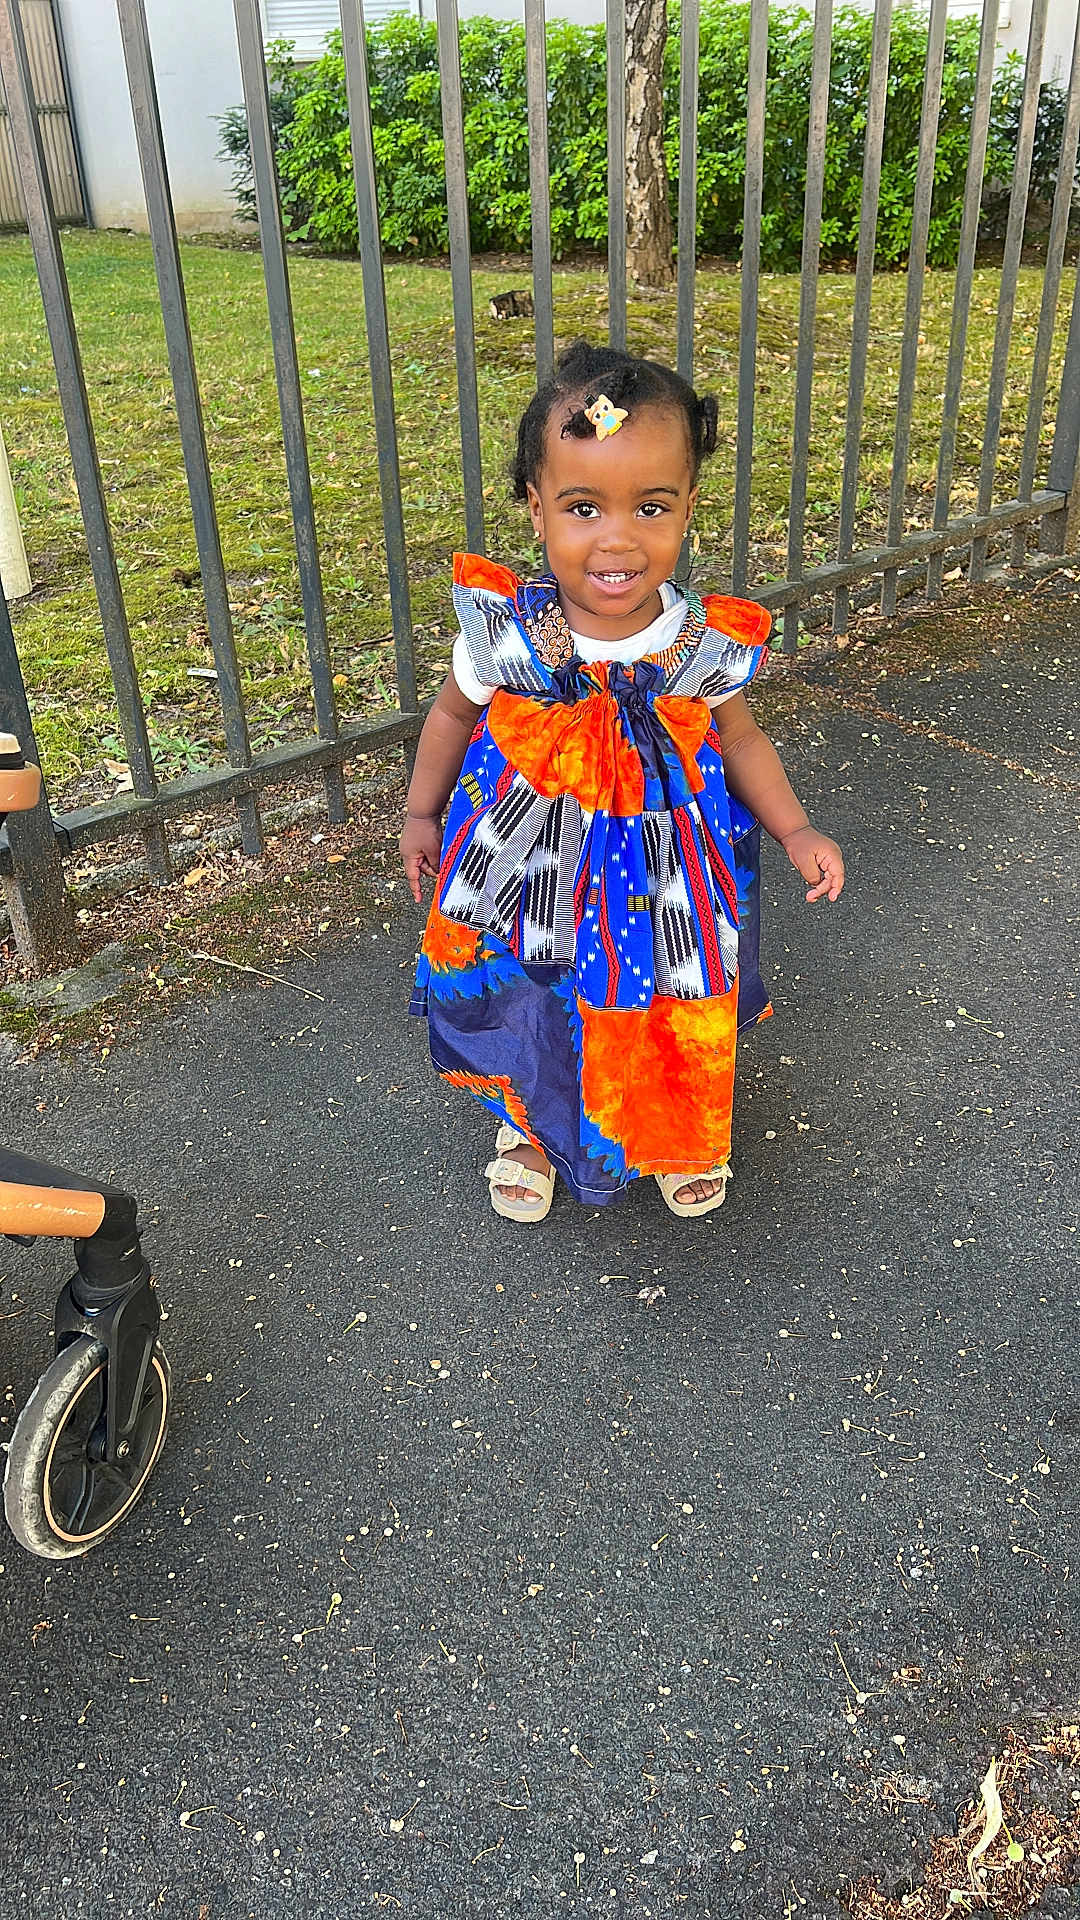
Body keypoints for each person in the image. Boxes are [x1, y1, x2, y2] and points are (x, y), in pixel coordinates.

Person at [401, 341, 844, 1223]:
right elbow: (452, 717)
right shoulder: (505, 634)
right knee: (533, 990)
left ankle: (679, 1128)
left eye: (650, 506)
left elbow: (742, 739)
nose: (617, 538)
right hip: (526, 867)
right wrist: (420, 812)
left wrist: (796, 830)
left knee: (674, 992)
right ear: (536, 510)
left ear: (686, 510)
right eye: (581, 506)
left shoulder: (704, 644)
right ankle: (529, 1128)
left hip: (664, 874)